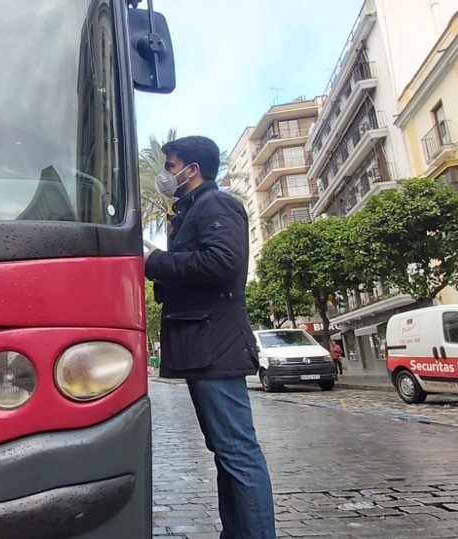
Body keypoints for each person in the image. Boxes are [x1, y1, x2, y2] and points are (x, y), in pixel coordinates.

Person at [143, 136, 276, 539]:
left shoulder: (215, 204)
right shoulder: (192, 209)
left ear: (192, 169)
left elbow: (223, 261)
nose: (166, 174)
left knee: (237, 451)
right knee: (226, 451)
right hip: (205, 344)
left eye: (170, 166)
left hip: (215, 343)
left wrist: (156, 262)